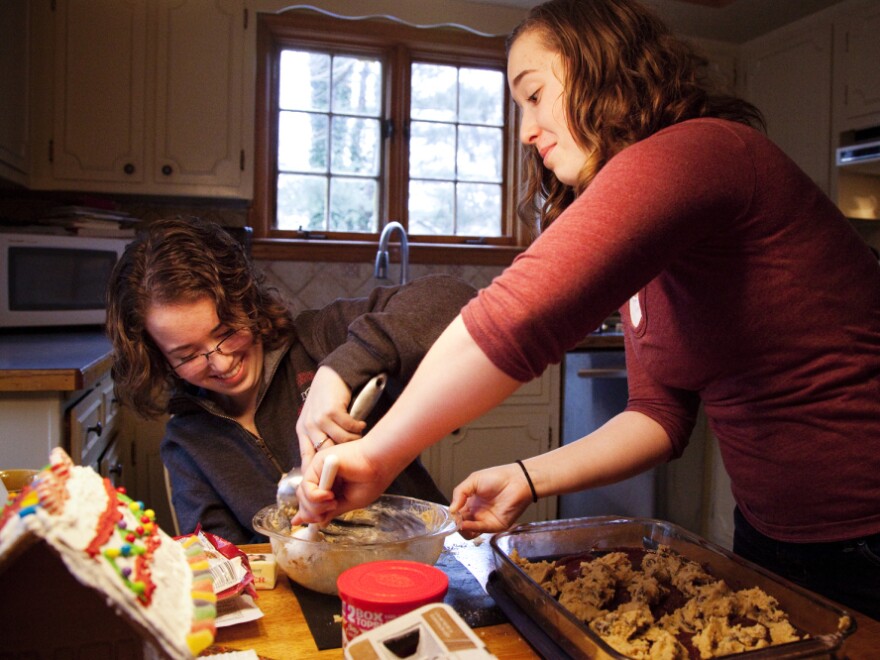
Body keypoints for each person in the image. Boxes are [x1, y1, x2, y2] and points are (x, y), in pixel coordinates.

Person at [294, 0, 880, 618]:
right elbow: (659, 415)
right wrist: (527, 475)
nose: (524, 130)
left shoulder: (705, 151)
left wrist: (378, 454)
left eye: (535, 95)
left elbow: (515, 316)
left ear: (605, 71)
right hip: (770, 532)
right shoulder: (652, 240)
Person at [106, 216, 476, 544]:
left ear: (245, 300)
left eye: (226, 330)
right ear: (158, 357)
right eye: (186, 355)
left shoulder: (320, 338)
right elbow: (219, 560)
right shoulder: (188, 442)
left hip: (427, 562)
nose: (219, 361)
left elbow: (456, 299)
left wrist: (338, 371)